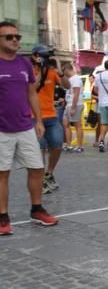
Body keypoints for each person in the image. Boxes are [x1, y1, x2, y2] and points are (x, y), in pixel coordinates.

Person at [0, 21, 58, 234]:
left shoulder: (24, 64)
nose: (15, 40)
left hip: (25, 125)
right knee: (2, 173)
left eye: (17, 36)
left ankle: (37, 209)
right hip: (1, 129)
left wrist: (39, 120)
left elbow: (32, 93)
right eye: (9, 37)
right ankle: (3, 217)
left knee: (36, 168)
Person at [32, 47, 67, 194]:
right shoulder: (29, 72)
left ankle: (49, 174)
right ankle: (40, 181)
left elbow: (67, 85)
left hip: (51, 115)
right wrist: (40, 70)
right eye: (41, 56)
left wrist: (59, 68)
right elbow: (32, 89)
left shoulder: (52, 72)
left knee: (57, 145)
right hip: (34, 117)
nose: (44, 58)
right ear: (35, 56)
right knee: (40, 149)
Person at [63, 61, 84, 152]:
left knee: (77, 125)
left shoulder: (76, 79)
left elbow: (76, 93)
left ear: (67, 69)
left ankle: (79, 146)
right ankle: (68, 145)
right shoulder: (70, 79)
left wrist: (73, 107)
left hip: (75, 104)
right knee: (65, 124)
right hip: (69, 104)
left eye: (63, 70)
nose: (63, 72)